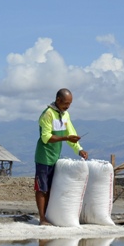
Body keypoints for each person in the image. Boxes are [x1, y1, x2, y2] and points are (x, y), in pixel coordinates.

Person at [34, 88, 88, 225]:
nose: (67, 106)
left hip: (55, 157)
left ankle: (48, 216)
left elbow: (71, 133)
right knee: (42, 188)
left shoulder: (65, 115)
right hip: (44, 156)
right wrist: (66, 138)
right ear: (58, 100)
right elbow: (45, 137)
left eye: (70, 104)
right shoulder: (48, 114)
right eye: (65, 103)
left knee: (51, 188)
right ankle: (42, 218)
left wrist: (79, 150)